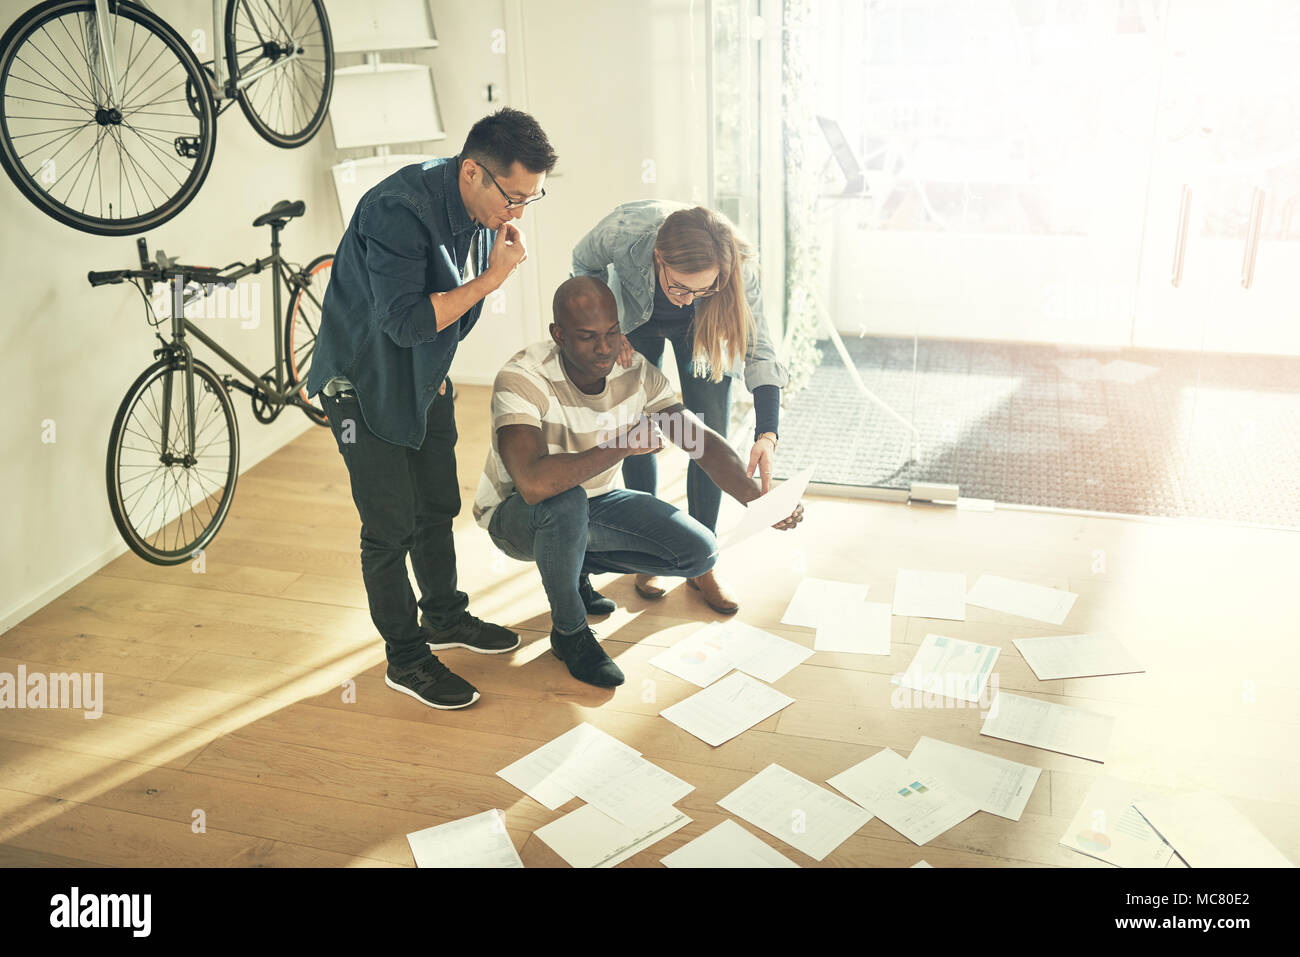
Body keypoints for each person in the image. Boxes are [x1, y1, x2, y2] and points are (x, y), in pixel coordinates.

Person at [304, 108, 557, 711]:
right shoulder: (398, 210)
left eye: (531, 199)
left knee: (437, 506)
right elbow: (408, 320)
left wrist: (436, 374)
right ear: (473, 171)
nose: (517, 212)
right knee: (389, 528)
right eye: (513, 197)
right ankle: (407, 658)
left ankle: (444, 616)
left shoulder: (475, 209)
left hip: (421, 377)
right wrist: (494, 280)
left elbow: (443, 317)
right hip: (360, 386)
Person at [472, 276, 803, 688]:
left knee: (698, 553)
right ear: (558, 335)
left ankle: (573, 570)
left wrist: (758, 500)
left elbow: (699, 442)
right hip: (518, 517)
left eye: (612, 333)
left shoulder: (634, 371)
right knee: (565, 504)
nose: (605, 348)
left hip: (596, 503)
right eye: (588, 337)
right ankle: (570, 634)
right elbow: (534, 485)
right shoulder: (522, 377)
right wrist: (624, 445)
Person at [571, 201, 787, 614]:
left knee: (706, 433)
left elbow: (761, 350)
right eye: (680, 288)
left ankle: (702, 561)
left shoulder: (736, 270)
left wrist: (767, 434)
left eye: (703, 288)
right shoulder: (625, 230)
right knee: (639, 433)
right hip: (635, 322)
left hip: (703, 331)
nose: (688, 299)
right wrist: (606, 326)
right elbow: (583, 263)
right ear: (658, 258)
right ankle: (645, 550)